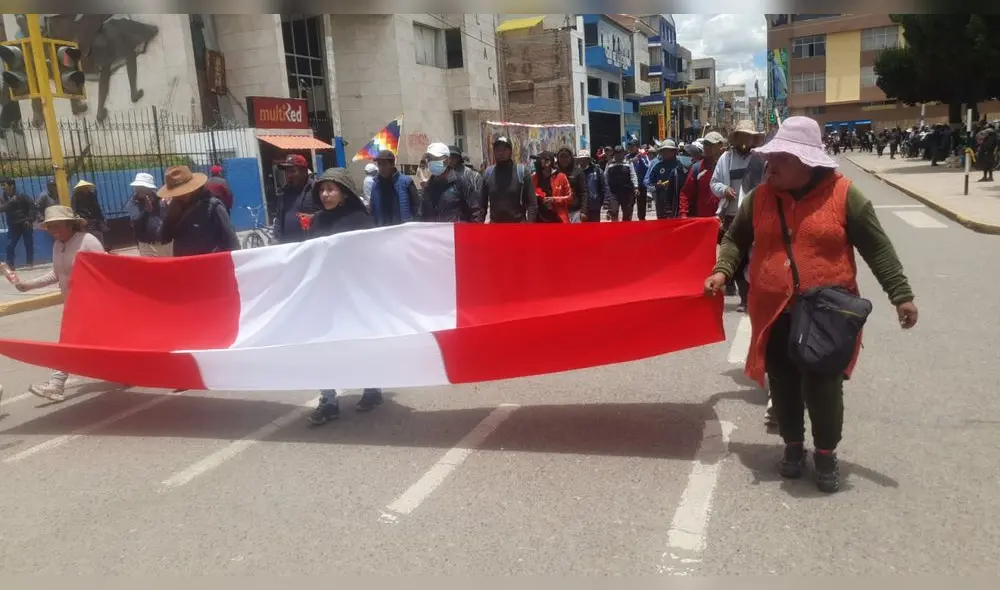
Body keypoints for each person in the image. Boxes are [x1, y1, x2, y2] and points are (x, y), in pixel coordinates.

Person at [704, 116, 919, 494]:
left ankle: (824, 453)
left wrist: (900, 295)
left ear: (805, 162)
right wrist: (723, 271)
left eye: (779, 161)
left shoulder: (845, 195)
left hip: (826, 314)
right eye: (768, 160)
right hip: (773, 311)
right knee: (783, 383)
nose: (769, 167)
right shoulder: (759, 198)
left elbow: (877, 248)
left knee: (823, 385)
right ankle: (791, 447)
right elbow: (735, 239)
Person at [303, 168, 383, 425]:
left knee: (358, 343)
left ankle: (372, 388)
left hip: (354, 295)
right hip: (324, 294)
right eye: (322, 190)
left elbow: (370, 256)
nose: (325, 194)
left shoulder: (359, 221)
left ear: (344, 193)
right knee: (322, 347)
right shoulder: (316, 222)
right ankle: (328, 400)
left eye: (331, 189)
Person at [14, 206, 104, 401]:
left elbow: (105, 270)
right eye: (50, 226)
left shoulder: (88, 241)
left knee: (68, 343)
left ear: (70, 225)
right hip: (73, 303)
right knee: (107, 342)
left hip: (92, 303)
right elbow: (57, 273)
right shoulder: (58, 245)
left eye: (57, 225)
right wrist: (28, 285)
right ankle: (129, 372)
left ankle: (55, 384)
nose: (53, 230)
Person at [711, 120, 766, 312]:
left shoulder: (760, 159)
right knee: (738, 258)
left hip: (756, 215)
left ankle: (755, 295)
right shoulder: (725, 158)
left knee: (755, 257)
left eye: (749, 136)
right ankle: (745, 299)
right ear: (736, 139)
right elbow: (714, 183)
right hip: (732, 215)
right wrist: (724, 189)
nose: (746, 140)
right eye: (742, 136)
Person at [158, 165, 240, 257]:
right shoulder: (176, 207)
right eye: (175, 194)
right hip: (184, 266)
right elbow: (164, 239)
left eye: (181, 192)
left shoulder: (213, 206)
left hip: (209, 266)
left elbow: (233, 244)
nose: (178, 196)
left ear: (193, 189)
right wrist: (170, 219)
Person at [478, 136, 537, 223]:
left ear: (510, 152)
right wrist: (479, 226)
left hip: (517, 227)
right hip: (495, 229)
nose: (501, 153)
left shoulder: (522, 172)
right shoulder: (488, 173)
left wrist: (529, 226)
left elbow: (532, 204)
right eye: (498, 150)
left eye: (505, 150)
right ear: (494, 152)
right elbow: (482, 205)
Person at [421, 142, 476, 222]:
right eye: (429, 159)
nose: (431, 162)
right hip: (432, 233)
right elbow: (421, 214)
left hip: (455, 233)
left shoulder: (461, 183)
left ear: (447, 160)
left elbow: (474, 213)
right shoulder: (428, 187)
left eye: (435, 158)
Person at [272, 154, 318, 243]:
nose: (288, 175)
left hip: (311, 245)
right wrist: (276, 237)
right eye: (287, 172)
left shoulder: (316, 189)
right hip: (288, 247)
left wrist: (313, 218)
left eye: (293, 171)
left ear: (304, 172)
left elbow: (326, 215)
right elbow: (279, 217)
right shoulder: (284, 192)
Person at [679, 132, 725, 219]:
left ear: (720, 146)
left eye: (711, 144)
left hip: (725, 220)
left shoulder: (728, 166)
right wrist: (683, 214)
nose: (707, 147)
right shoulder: (697, 168)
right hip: (704, 220)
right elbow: (685, 193)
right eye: (705, 144)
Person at [370, 149, 419, 227]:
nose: (381, 167)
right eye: (379, 164)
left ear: (392, 164)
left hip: (403, 230)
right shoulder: (375, 185)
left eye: (384, 164)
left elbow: (417, 208)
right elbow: (372, 211)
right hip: (384, 230)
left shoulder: (406, 182)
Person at [127, 172, 171, 257]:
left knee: (169, 268)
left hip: (165, 243)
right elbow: (136, 220)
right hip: (147, 245)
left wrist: (169, 205)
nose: (139, 189)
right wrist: (146, 211)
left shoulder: (161, 200)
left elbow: (168, 218)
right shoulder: (133, 203)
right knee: (151, 269)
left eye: (142, 187)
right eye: (137, 187)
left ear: (150, 188)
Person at [644, 140, 686, 219]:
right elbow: (649, 184)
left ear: (674, 151)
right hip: (662, 202)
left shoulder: (681, 165)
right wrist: (657, 186)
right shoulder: (657, 166)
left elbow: (686, 183)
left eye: (667, 150)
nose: (665, 153)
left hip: (677, 201)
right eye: (663, 151)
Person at [1, 177, 35, 269]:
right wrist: (10, 202)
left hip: (25, 223)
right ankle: (10, 264)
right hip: (13, 225)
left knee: (28, 244)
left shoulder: (21, 195)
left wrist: (29, 219)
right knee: (10, 245)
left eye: (4, 185)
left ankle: (29, 263)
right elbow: (2, 209)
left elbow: (32, 205)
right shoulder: (3, 197)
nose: (3, 188)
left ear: (11, 186)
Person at [532, 151, 572, 223]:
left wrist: (553, 199)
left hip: (558, 219)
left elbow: (570, 198)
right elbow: (528, 199)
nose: (537, 162)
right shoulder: (534, 178)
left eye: (540, 159)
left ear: (548, 162)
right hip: (539, 220)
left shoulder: (561, 177)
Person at [70, 179, 108, 250]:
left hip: (94, 220)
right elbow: (74, 209)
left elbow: (97, 207)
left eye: (86, 187)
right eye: (84, 187)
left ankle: (100, 251)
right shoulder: (75, 197)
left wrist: (101, 219)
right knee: (87, 238)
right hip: (84, 220)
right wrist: (79, 219)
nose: (86, 189)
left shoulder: (92, 195)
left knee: (98, 236)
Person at [604, 145, 639, 221]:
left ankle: (626, 230)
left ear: (623, 153)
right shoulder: (609, 164)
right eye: (617, 153)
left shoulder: (628, 163)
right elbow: (605, 178)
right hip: (613, 192)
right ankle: (615, 230)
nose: (618, 154)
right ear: (614, 153)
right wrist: (606, 190)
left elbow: (633, 175)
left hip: (626, 191)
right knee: (614, 211)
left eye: (620, 153)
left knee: (627, 213)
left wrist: (636, 187)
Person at [556, 147, 588, 223]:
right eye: (561, 157)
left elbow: (584, 192)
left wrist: (583, 210)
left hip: (575, 211)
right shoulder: (555, 172)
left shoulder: (578, 172)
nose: (564, 159)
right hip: (559, 211)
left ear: (571, 158)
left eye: (566, 156)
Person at [576, 149, 608, 223]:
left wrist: (604, 201)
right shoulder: (576, 173)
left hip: (594, 206)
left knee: (595, 229)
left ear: (588, 160)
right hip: (580, 207)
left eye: (584, 159)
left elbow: (604, 187)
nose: (582, 161)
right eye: (581, 159)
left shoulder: (597, 171)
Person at [627, 139, 651, 220]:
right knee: (629, 205)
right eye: (629, 146)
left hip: (641, 184)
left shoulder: (644, 156)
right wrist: (633, 160)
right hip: (630, 184)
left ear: (637, 147)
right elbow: (625, 166)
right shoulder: (627, 156)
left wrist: (641, 158)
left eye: (632, 146)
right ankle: (628, 221)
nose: (630, 147)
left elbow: (648, 167)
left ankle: (642, 220)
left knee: (641, 205)